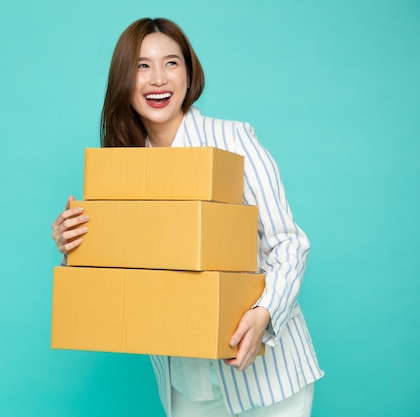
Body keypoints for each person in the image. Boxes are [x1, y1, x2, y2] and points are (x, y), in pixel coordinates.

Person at [51, 17, 324, 417]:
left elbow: (288, 242)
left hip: (268, 381)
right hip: (186, 388)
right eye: (142, 66)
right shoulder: (123, 170)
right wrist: (75, 248)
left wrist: (263, 315)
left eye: (171, 63)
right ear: (124, 80)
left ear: (189, 73)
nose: (158, 79)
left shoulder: (233, 140)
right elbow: (122, 276)